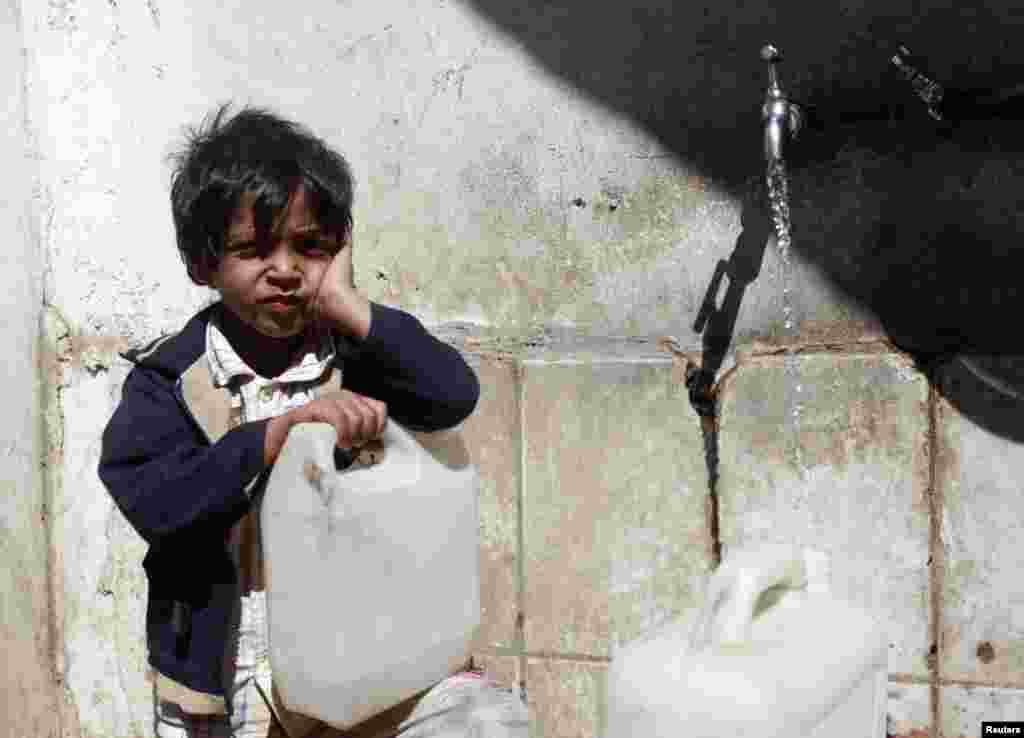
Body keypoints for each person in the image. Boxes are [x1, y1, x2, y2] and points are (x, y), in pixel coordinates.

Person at [98, 104, 482, 738]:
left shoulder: (355, 358)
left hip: (346, 666)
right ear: (204, 264)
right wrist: (273, 439)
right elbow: (158, 503)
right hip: (219, 681)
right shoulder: (171, 381)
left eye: (310, 247)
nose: (284, 269)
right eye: (253, 249)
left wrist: (348, 306)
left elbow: (452, 395)